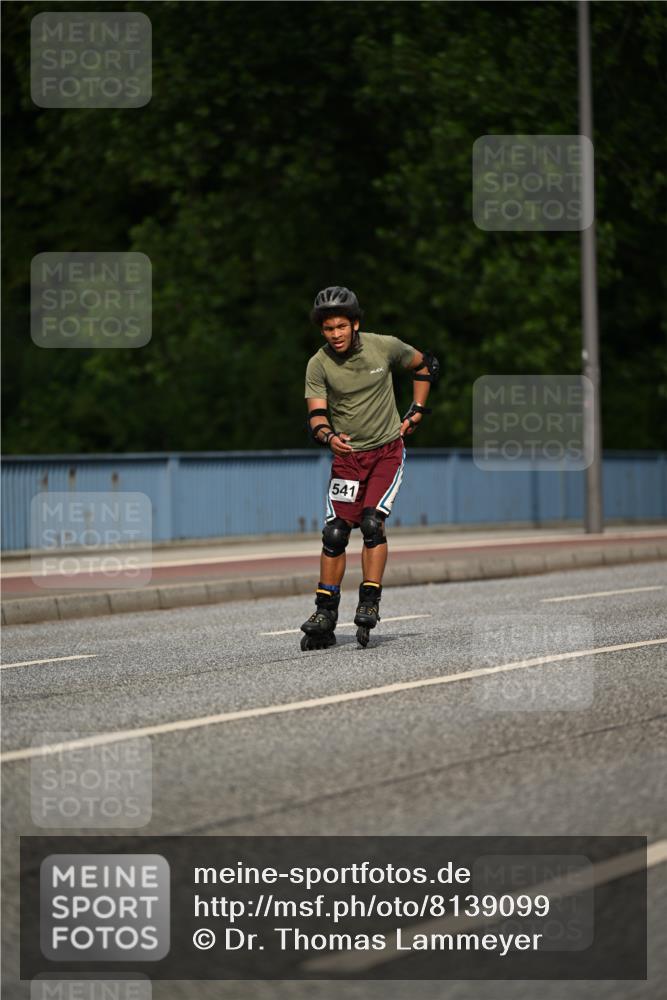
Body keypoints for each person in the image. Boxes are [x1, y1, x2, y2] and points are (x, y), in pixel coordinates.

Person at [300, 285, 439, 650]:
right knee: (334, 534)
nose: (335, 334)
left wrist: (417, 411)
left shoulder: (384, 346)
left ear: (355, 324)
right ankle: (325, 612)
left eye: (341, 326)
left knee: (372, 524)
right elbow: (316, 415)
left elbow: (425, 364)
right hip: (348, 458)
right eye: (328, 328)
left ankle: (369, 600)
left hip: (386, 453)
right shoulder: (318, 364)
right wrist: (328, 436)